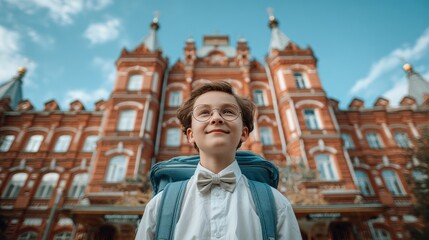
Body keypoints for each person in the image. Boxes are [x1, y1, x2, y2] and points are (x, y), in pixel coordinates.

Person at [136, 81, 301, 239]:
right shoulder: (159, 205)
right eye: (204, 112)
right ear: (190, 134)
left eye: (228, 111)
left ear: (244, 133)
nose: (216, 118)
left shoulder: (276, 204)